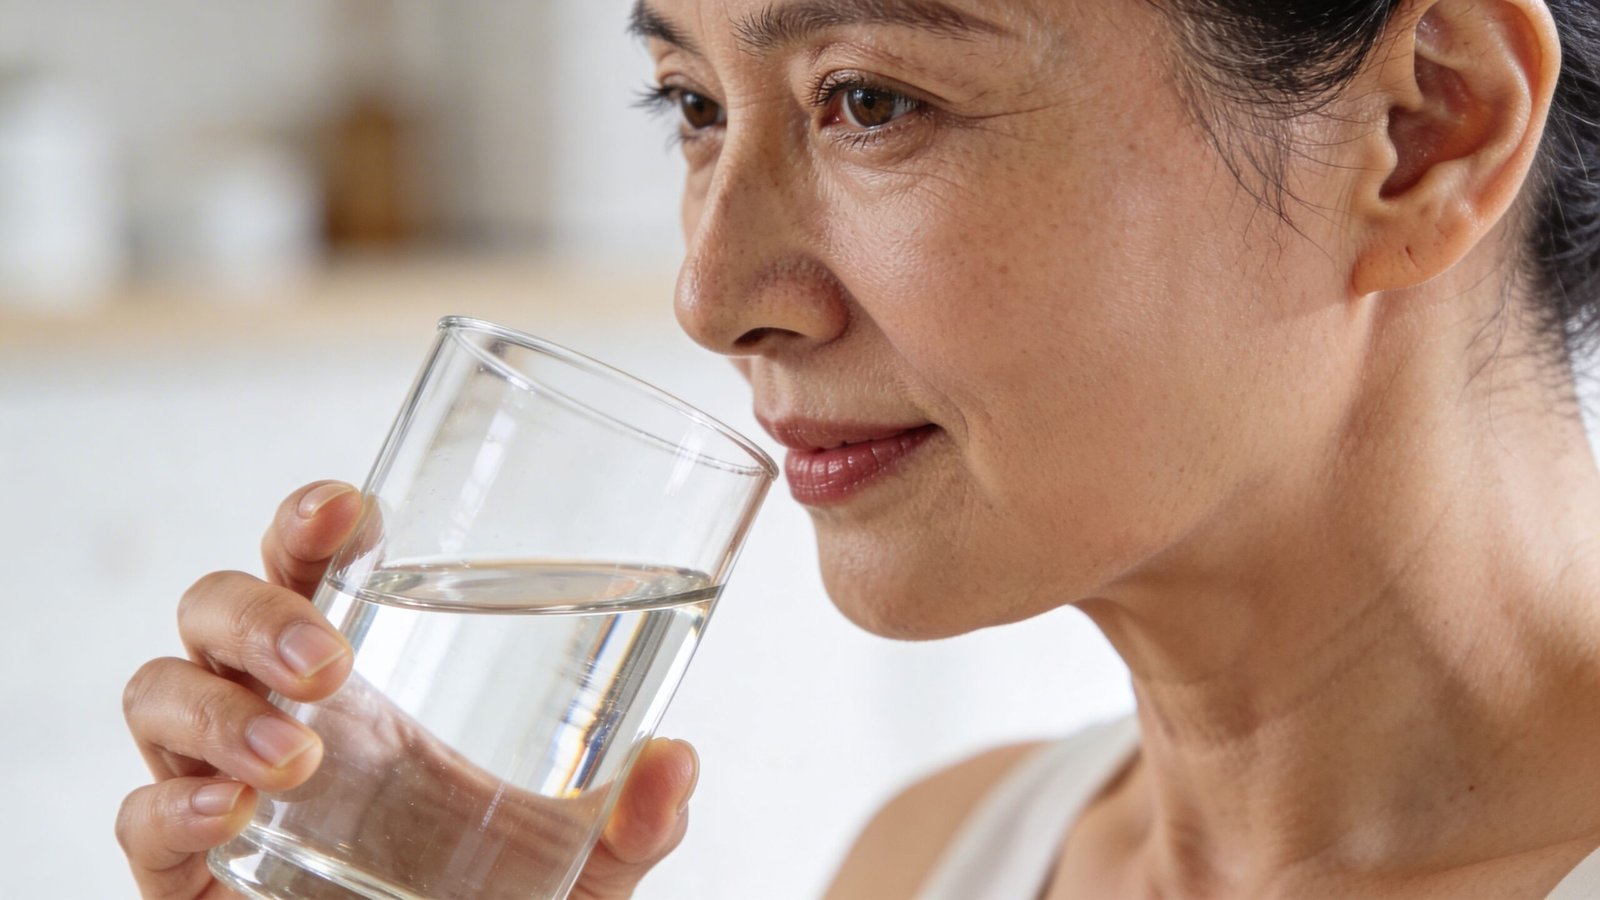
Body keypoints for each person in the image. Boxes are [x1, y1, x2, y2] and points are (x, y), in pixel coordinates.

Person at [118, 0, 1600, 896]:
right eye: (692, 105)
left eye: (869, 99)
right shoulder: (940, 859)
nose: (708, 297)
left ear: (1426, 130)